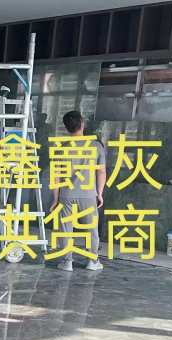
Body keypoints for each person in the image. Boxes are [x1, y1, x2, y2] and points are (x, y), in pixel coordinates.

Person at [50, 110, 106, 272]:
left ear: (66, 128)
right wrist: (99, 194)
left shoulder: (61, 149)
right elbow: (101, 172)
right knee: (91, 230)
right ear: (82, 124)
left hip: (67, 195)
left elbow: (56, 177)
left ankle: (67, 262)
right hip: (89, 195)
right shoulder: (96, 146)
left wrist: (56, 199)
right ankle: (92, 261)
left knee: (65, 230)